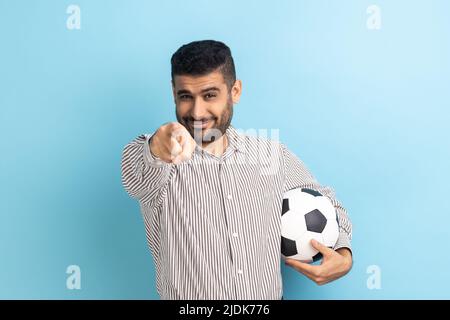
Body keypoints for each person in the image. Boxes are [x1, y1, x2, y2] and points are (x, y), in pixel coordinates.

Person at [121, 40, 353, 300]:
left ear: (235, 91)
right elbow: (137, 172)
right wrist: (157, 146)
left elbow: (327, 203)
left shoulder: (269, 154)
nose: (197, 112)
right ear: (173, 93)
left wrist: (343, 255)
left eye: (210, 95)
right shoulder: (158, 158)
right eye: (185, 96)